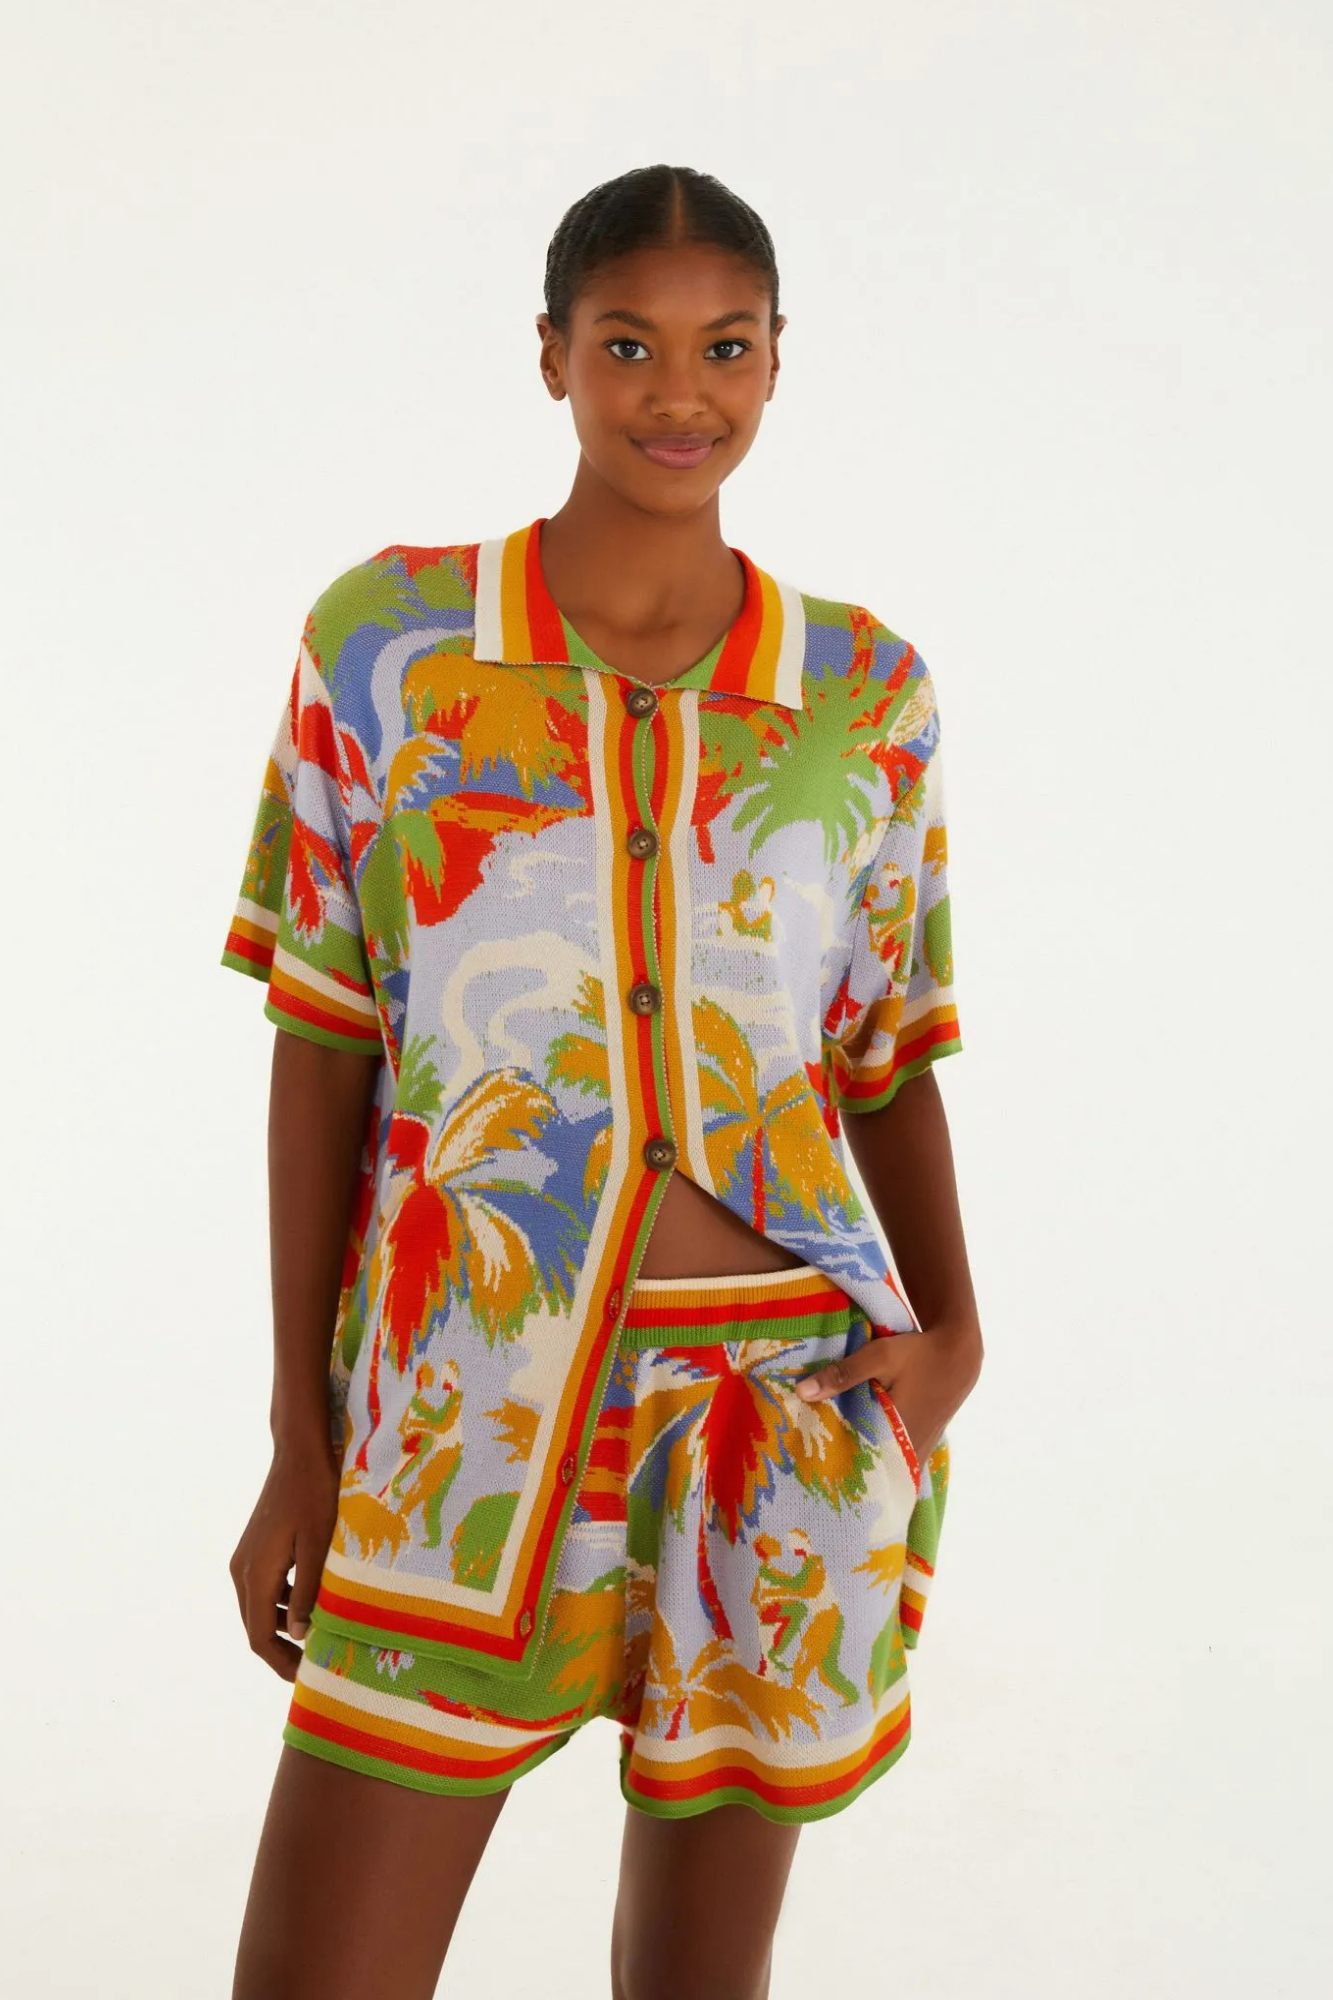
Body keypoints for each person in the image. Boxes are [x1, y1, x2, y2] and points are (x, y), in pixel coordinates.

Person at [221, 162, 985, 2000]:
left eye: (726, 347)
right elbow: (326, 1043)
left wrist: (953, 1337)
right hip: (462, 1412)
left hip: (785, 1411)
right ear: (552, 353)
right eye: (629, 345)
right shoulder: (390, 644)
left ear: (779, 360)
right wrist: (302, 1439)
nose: (678, 393)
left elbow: (887, 1056)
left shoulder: (863, 692)